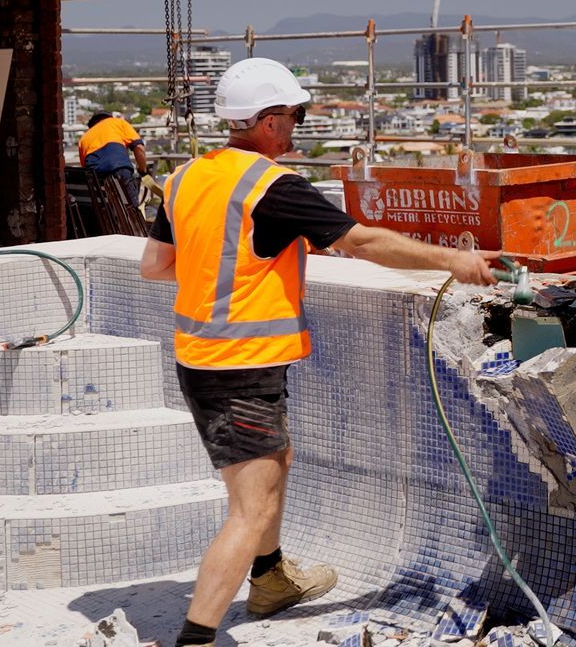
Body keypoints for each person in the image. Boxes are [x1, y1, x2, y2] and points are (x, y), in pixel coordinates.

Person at [139, 57, 496, 647]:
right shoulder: (271, 188)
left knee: (276, 463)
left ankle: (271, 578)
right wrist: (453, 260)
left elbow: (156, 266)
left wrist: (227, 265)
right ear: (270, 119)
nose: (299, 126)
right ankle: (196, 639)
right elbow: (363, 241)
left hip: (202, 358)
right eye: (296, 115)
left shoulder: (186, 178)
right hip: (239, 367)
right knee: (249, 508)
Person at [79, 111, 149, 207]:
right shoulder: (118, 123)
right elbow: (139, 148)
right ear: (109, 118)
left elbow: (84, 168)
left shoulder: (84, 138)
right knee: (132, 211)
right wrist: (143, 170)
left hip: (96, 180)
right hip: (120, 170)